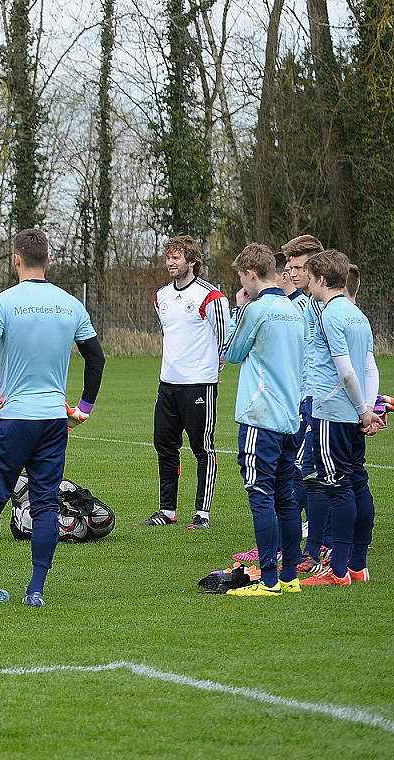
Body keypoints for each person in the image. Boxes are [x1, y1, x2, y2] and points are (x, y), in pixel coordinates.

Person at [0, 229, 104, 609]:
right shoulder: (71, 305)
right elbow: (96, 359)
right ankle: (35, 589)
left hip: (12, 420)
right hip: (53, 420)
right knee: (46, 505)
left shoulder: (2, 303)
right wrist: (82, 409)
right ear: (48, 260)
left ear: (15, 259)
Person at [220, 243, 305, 596]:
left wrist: (239, 309)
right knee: (285, 496)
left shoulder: (258, 309)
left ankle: (267, 580)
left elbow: (233, 352)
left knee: (260, 494)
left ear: (250, 275)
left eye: (241, 277)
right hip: (288, 417)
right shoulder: (296, 309)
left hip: (260, 416)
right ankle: (290, 576)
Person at [299, 250, 379, 588]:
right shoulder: (358, 314)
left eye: (310, 279)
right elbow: (369, 367)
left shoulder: (331, 314)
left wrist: (363, 409)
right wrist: (369, 408)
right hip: (354, 413)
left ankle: (339, 570)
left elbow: (346, 370)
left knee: (337, 488)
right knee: (358, 482)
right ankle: (358, 566)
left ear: (320, 280)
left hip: (332, 412)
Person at [140, 236, 229, 530]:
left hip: (199, 384)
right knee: (164, 446)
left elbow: (225, 339)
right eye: (168, 257)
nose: (170, 262)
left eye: (177, 257)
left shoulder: (211, 296)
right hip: (167, 384)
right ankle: (167, 511)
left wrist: (213, 368)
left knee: (202, 448)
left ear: (192, 261)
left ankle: (202, 513)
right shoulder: (161, 296)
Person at [281, 235, 325, 571]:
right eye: (289, 266)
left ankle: (313, 549)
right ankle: (294, 543)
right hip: (300, 399)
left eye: (298, 266)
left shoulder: (324, 307)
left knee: (307, 474)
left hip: (319, 402)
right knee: (300, 472)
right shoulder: (308, 304)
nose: (292, 272)